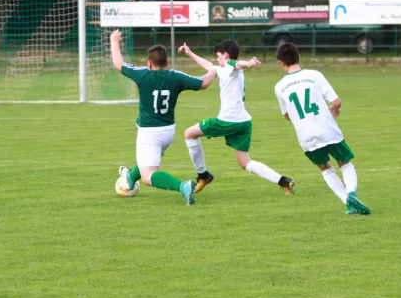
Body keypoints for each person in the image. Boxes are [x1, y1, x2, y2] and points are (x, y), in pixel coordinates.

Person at [111, 30, 216, 205]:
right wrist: (213, 71)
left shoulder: (143, 74)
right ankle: (129, 177)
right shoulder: (175, 76)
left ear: (149, 64)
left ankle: (183, 186)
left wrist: (114, 41)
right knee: (146, 162)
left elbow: (118, 63)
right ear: (166, 62)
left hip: (149, 133)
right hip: (168, 132)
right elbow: (204, 82)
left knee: (148, 176)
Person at [180, 40, 295, 195]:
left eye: (219, 56)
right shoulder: (224, 69)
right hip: (243, 122)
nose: (217, 59)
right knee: (245, 163)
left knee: (189, 134)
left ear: (226, 55)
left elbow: (237, 64)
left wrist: (248, 63)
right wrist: (189, 53)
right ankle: (283, 181)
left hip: (228, 121)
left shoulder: (230, 66)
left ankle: (203, 175)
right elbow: (209, 66)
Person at [274, 42, 370, 215]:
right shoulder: (314, 75)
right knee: (344, 162)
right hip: (327, 129)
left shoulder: (279, 87)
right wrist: (334, 109)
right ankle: (351, 193)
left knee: (326, 169)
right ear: (299, 57)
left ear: (281, 63)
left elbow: (287, 115)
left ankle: (347, 202)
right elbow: (337, 102)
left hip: (306, 135)